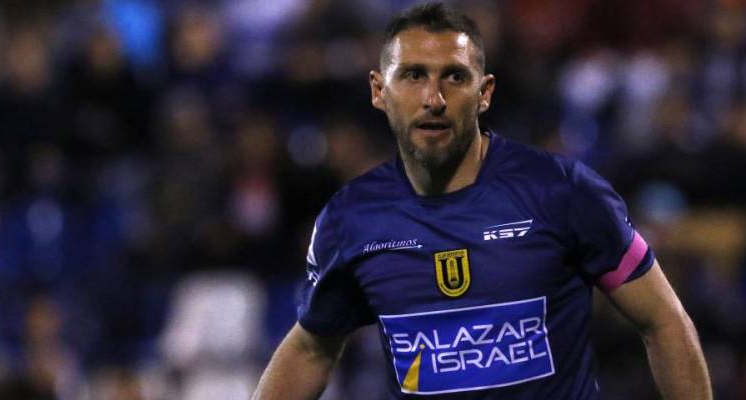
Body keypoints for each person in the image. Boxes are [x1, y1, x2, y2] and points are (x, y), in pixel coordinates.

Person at [252, 3, 711, 399]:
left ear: (485, 92)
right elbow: (310, 348)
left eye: (454, 77)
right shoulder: (351, 219)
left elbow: (663, 320)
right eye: (412, 76)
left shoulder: (563, 191)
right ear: (379, 90)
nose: (433, 98)